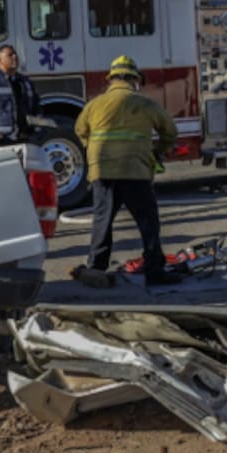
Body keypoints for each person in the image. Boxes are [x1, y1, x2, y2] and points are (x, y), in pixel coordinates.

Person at [74, 55, 178, 284]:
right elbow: (170, 131)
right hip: (135, 171)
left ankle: (96, 269)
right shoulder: (146, 104)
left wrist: (93, 151)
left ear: (111, 80)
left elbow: (80, 129)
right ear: (135, 79)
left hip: (102, 172)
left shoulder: (94, 104)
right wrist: (159, 152)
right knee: (148, 222)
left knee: (102, 221)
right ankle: (154, 271)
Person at [0, 45, 40, 145]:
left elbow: (36, 106)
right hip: (0, 140)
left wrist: (37, 126)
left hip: (26, 139)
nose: (15, 57)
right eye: (10, 55)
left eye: (15, 54)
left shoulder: (25, 82)